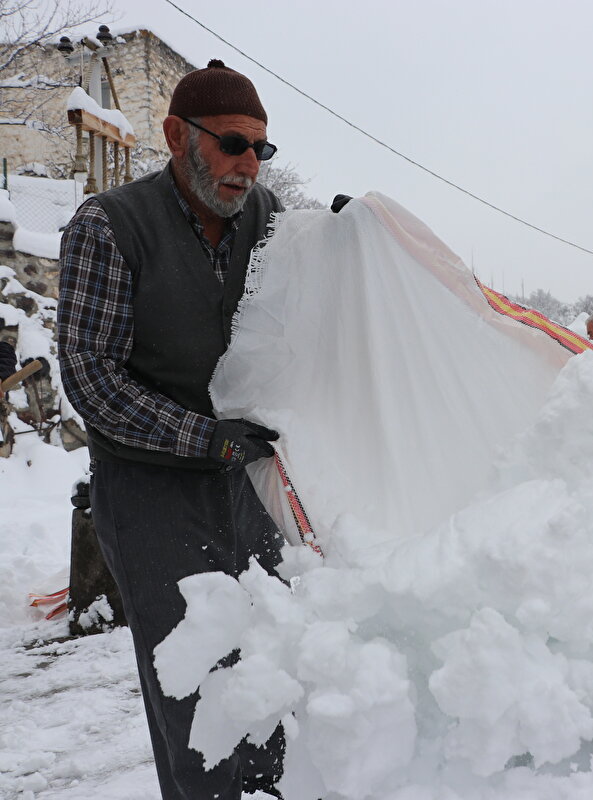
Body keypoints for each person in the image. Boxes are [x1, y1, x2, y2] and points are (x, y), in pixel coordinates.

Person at [58, 60, 288, 799]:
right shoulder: (111, 225)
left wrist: (350, 244)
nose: (248, 163)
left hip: (247, 482)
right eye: (231, 143)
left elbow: (310, 310)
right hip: (150, 489)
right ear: (175, 135)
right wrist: (205, 437)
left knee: (275, 665)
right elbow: (92, 378)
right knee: (197, 692)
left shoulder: (268, 218)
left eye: (260, 148)